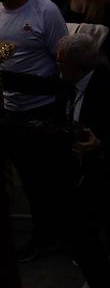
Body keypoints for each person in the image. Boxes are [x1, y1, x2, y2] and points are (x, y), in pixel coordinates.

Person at [0, 0, 68, 261]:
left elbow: (63, 61)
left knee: (42, 180)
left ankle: (50, 236)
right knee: (16, 177)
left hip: (40, 110)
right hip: (6, 111)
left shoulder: (45, 12)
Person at [52, 31, 110, 286]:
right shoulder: (67, 85)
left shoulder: (107, 88)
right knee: (81, 235)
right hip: (78, 174)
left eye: (60, 62)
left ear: (77, 66)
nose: (56, 66)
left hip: (103, 173)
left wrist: (100, 145)